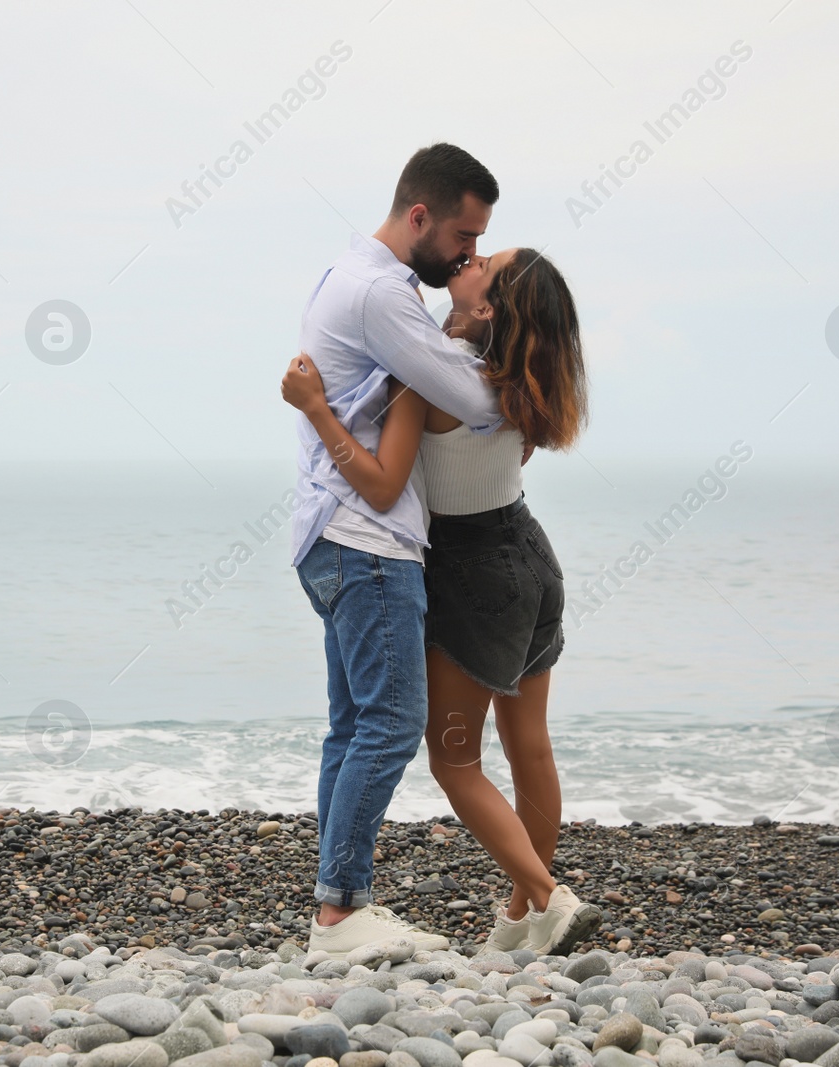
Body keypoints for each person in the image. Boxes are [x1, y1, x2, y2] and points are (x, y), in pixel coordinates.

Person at [282, 244, 602, 956]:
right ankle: (519, 922)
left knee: (454, 761)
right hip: (530, 557)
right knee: (530, 750)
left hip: (470, 572)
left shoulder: (426, 381)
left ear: (488, 307)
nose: (471, 256)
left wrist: (316, 410)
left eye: (486, 260)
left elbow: (381, 482)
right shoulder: (522, 381)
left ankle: (549, 898)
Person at [289, 143, 505, 958]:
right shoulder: (383, 294)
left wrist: (455, 331)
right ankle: (341, 912)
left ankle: (334, 905)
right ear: (421, 216)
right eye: (463, 236)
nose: (469, 255)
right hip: (368, 541)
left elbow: (413, 383)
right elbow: (473, 400)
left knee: (352, 725)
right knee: (391, 721)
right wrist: (497, 358)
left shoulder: (351, 273)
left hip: (330, 535)